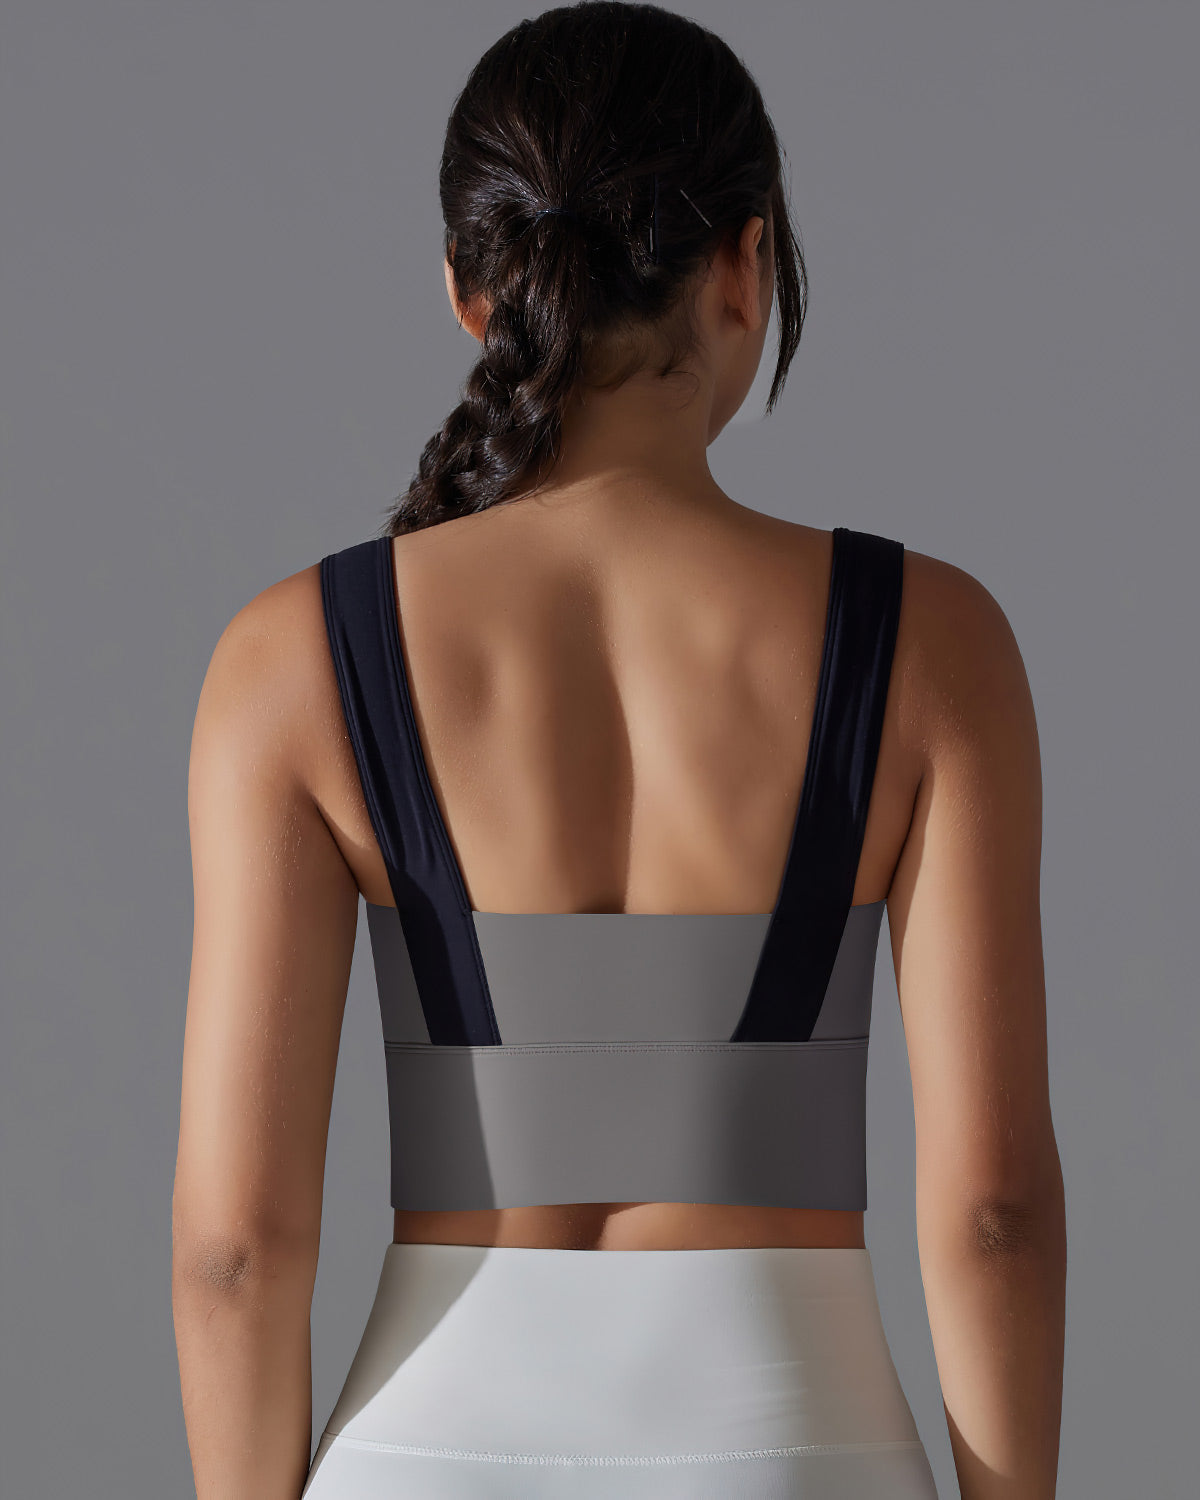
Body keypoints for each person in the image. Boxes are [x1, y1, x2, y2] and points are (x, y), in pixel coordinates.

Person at [171, 4, 1066, 1497]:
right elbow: (996, 1215)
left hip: (423, 1451)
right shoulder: (930, 641)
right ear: (746, 264)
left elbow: (236, 1250)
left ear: (470, 289)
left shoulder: (293, 661)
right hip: (797, 1444)